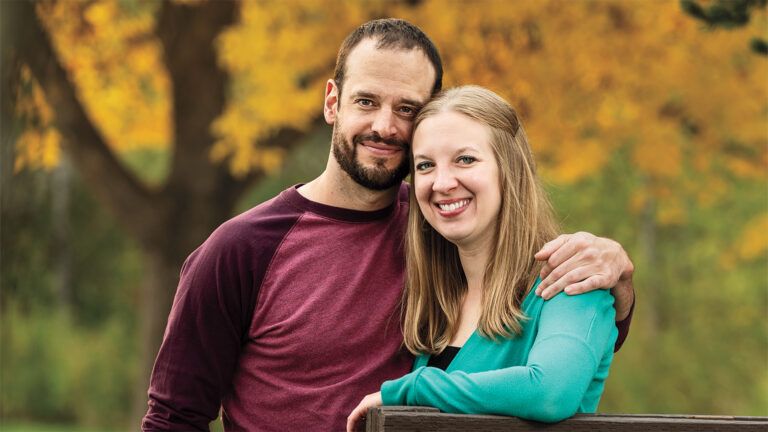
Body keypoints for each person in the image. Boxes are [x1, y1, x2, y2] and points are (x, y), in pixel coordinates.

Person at [142, 19, 635, 432]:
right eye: (366, 101)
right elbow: (174, 416)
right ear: (333, 101)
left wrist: (617, 278)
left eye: (407, 109)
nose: (384, 125)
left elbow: (552, 345)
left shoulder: (438, 230)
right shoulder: (243, 248)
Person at [347, 86, 619, 431]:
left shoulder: (571, 282)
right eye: (426, 165)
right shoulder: (439, 300)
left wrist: (414, 387)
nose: (442, 182)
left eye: (465, 159)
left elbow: (550, 391)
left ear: (510, 170)